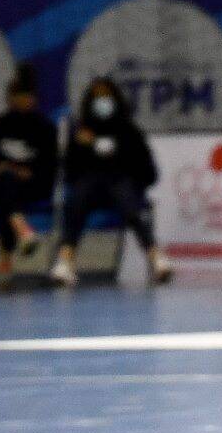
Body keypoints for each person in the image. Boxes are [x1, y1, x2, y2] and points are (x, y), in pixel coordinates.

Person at [51, 77, 172, 287]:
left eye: (106, 96)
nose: (102, 101)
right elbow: (69, 170)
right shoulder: (81, 131)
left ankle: (156, 257)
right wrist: (82, 147)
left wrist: (104, 148)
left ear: (115, 99)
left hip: (121, 183)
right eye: (97, 97)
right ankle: (65, 260)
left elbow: (146, 169)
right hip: (89, 186)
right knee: (76, 199)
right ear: (90, 102)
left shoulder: (129, 130)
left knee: (130, 205)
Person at [0, 69, 57, 287]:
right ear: (10, 98)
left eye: (27, 96)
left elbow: (52, 167)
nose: (23, 101)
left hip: (32, 187)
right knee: (5, 185)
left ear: (34, 99)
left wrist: (28, 172)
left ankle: (6, 259)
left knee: (7, 198)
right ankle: (22, 230)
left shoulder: (45, 128)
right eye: (18, 96)